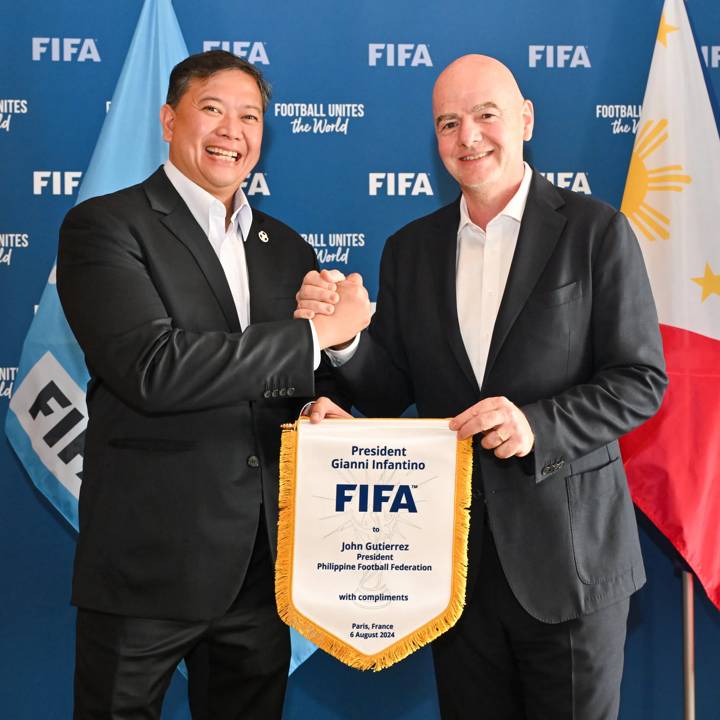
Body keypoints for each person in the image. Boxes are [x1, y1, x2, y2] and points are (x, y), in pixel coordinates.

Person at [295, 54, 667, 719]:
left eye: (485, 115)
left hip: (570, 566)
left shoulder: (594, 231)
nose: (467, 138)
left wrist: (538, 425)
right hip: (451, 569)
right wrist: (347, 342)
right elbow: (392, 390)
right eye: (447, 123)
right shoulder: (409, 249)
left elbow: (640, 381)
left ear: (525, 119)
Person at [57, 50, 369, 719]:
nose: (233, 130)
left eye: (250, 116)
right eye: (213, 109)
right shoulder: (105, 226)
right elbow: (153, 368)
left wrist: (331, 372)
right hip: (145, 567)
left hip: (259, 570)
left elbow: (292, 381)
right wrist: (312, 336)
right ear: (169, 120)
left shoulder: (286, 249)